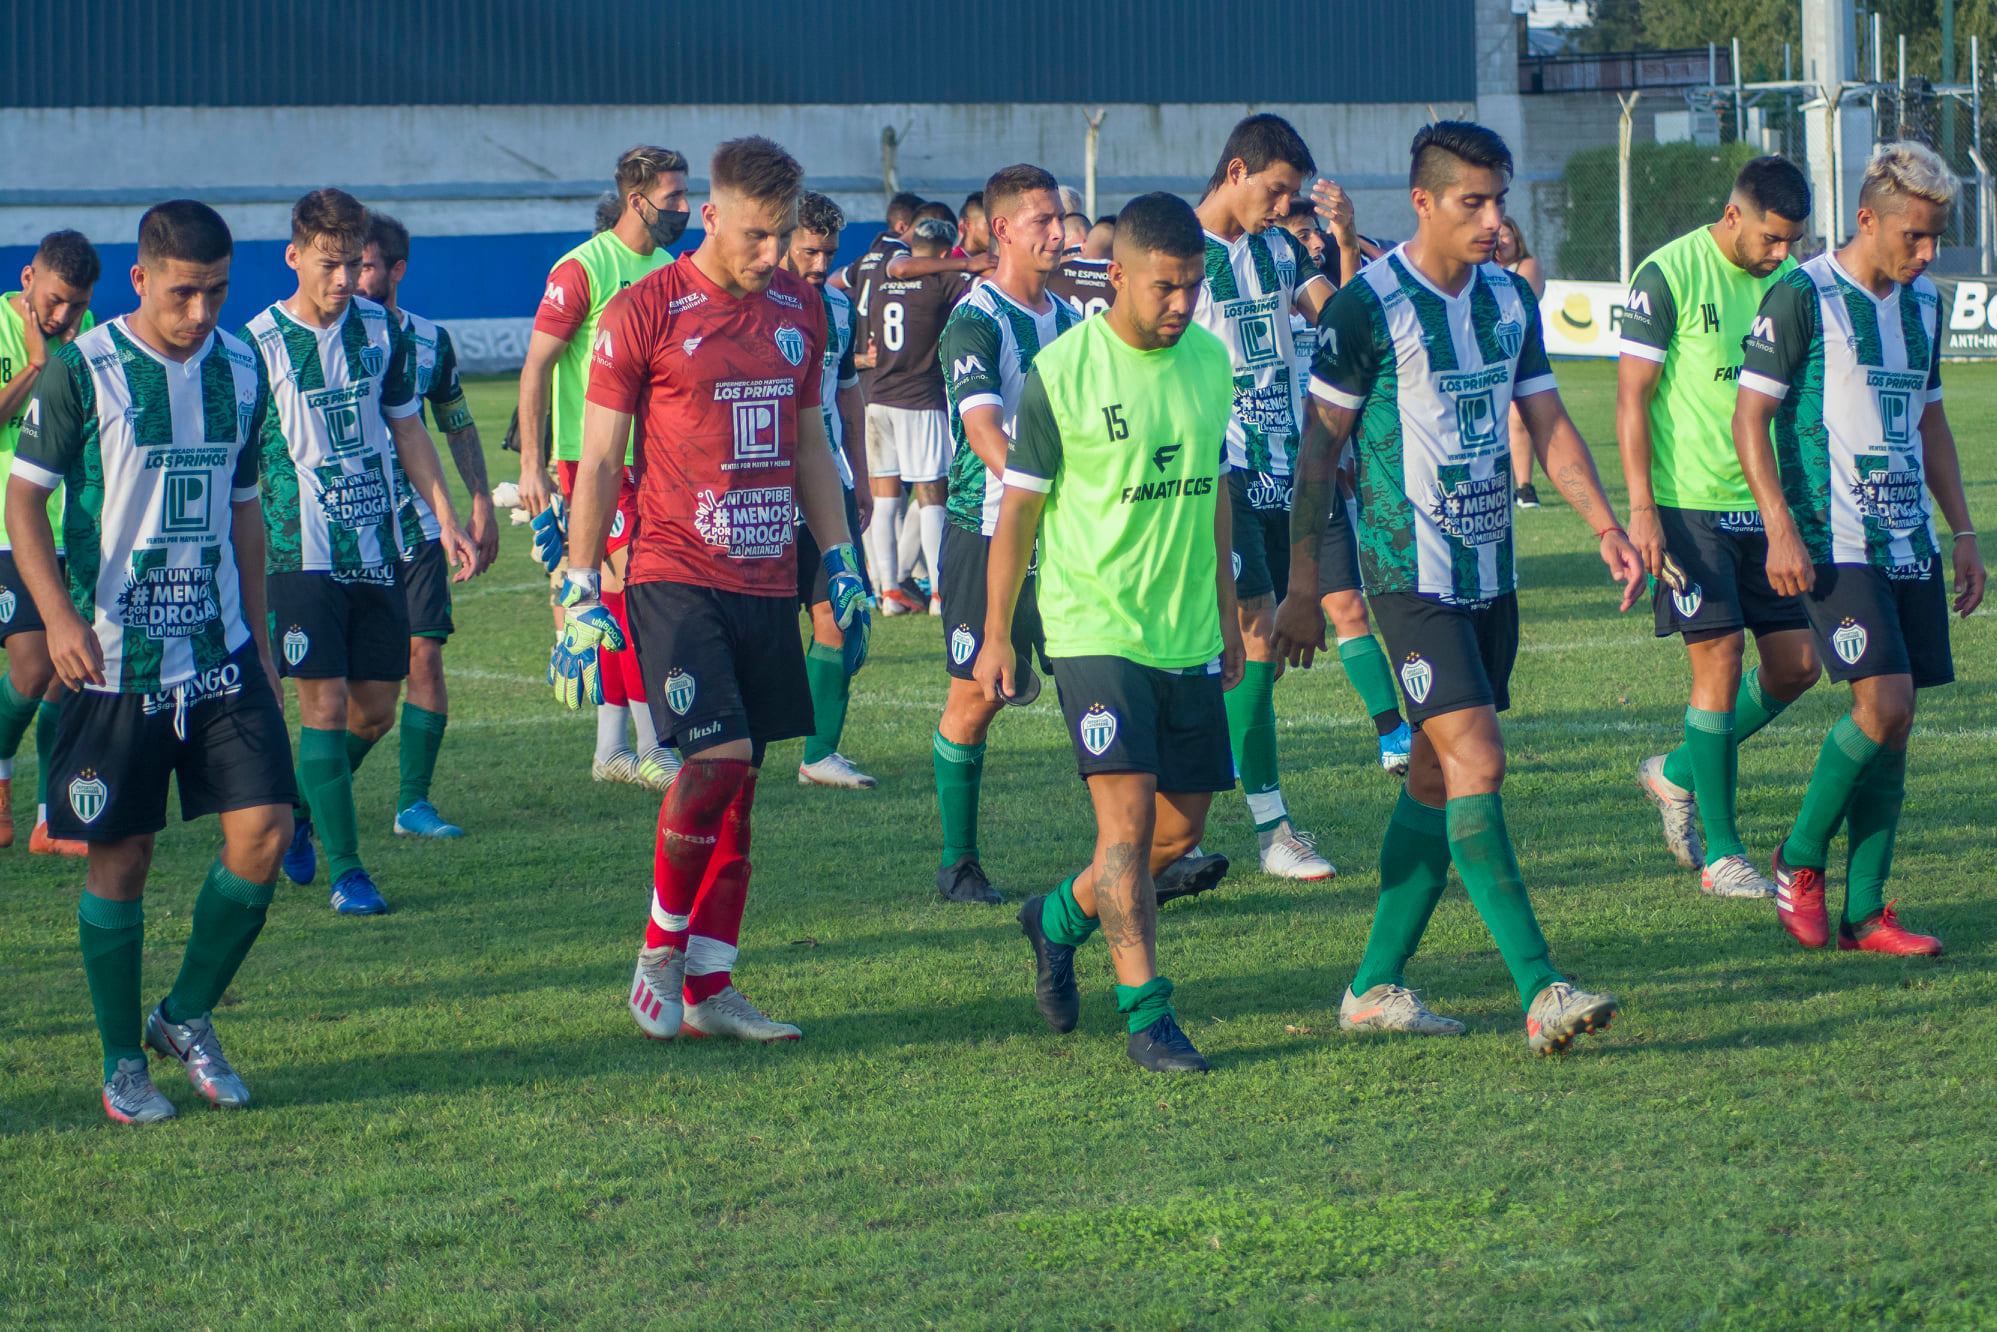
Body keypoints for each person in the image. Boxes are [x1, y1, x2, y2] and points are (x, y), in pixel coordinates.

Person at [1277, 121, 1644, 1054]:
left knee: (1440, 779)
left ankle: (1370, 985)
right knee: (1477, 762)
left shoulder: (1506, 303)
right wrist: (1300, 583)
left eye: (1499, 201)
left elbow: (1547, 418)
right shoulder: (1365, 307)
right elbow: (1318, 449)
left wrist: (1604, 524)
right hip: (1409, 578)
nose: (1491, 220)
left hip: (1491, 573)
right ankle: (1541, 986)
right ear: (1423, 203)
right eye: (1472, 202)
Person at [564, 136, 869, 1042]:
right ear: (710, 214)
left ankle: (711, 986)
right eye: (756, 236)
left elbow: (812, 443)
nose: (772, 255)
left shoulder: (802, 309)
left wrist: (840, 556)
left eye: (782, 237)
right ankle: (660, 946)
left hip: (768, 572)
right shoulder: (640, 310)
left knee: (742, 784)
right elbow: (601, 461)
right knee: (717, 757)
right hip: (670, 570)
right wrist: (581, 584)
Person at [5, 200, 295, 1122]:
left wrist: (257, 633)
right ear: (139, 281)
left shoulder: (243, 368)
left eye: (215, 292)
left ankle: (188, 1017)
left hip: (218, 655)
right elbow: (24, 504)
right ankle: (124, 1061)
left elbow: (245, 509)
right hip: (110, 662)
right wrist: (55, 620)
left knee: (265, 835)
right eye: (183, 293)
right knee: (120, 859)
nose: (201, 312)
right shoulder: (82, 373)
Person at [980, 192, 1241, 1074]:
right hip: (1093, 627)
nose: (1180, 306)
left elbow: (1214, 495)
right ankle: (1148, 1018)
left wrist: (1230, 610)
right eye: (1163, 289)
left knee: (1177, 833)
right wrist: (998, 635)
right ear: (1117, 276)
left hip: (1187, 630)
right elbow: (1016, 517)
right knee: (1126, 827)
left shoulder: (1211, 364)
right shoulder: (1061, 372)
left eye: (1192, 288)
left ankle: (1053, 919)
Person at [1735, 141, 1985, 956]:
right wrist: (1777, 524)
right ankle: (1798, 857)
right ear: (1866, 218)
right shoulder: (1801, 295)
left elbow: (1930, 420)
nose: (1927, 253)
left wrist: (1962, 533)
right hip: (1829, 542)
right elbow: (1750, 418)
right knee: (1882, 705)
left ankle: (1867, 913)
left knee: (1896, 723)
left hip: (1905, 535)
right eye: (1914, 235)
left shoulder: (1924, 305)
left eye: (1936, 237)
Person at [247, 188, 477, 916]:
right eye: (329, 265)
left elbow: (409, 428)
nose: (345, 280)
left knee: (374, 710)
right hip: (297, 548)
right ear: (294, 257)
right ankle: (349, 875)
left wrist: (445, 518)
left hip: (375, 544)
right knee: (323, 701)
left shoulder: (383, 331)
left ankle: (302, 812)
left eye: (352, 264)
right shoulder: (257, 345)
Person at [1621, 157, 1819, 898]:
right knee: (1720, 661)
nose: (1780, 254)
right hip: (1685, 504)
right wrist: (1641, 508)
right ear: (1733, 215)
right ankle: (1723, 855)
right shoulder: (1667, 273)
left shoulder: (1794, 285)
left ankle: (1673, 773)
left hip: (1770, 506)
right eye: (1770, 239)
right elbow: (1630, 400)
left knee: (1797, 665)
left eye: (1791, 241)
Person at [1192, 112, 1344, 880]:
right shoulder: (1178, 254)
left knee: (1267, 651)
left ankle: (1185, 811)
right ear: (1235, 172)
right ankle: (1271, 827)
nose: (1282, 206)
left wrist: (1346, 246)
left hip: (1285, 467)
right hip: (1216, 471)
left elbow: (1338, 318)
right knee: (1251, 634)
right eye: (1275, 189)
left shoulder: (1280, 249)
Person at [931, 164, 1081, 906]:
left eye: (1061, 219)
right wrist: (1045, 488)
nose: (1059, 232)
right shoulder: (975, 319)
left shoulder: (1075, 318)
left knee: (1098, 678)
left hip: (1066, 539)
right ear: (1002, 231)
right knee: (975, 699)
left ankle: (1140, 850)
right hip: (987, 533)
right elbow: (985, 432)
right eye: (1042, 221)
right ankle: (958, 863)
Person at [516, 145, 688, 792]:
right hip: (590, 461)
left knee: (621, 601)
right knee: (633, 597)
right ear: (636, 199)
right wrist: (533, 466)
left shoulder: (671, 268)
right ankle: (651, 748)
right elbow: (534, 368)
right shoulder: (581, 268)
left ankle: (611, 749)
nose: (681, 208)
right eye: (672, 198)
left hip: (651, 457)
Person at [353, 212, 502, 839]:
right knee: (360, 699)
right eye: (343, 265)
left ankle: (412, 802)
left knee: (426, 658)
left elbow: (456, 420)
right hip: (344, 530)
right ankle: (305, 797)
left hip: (416, 525)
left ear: (396, 270)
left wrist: (480, 501)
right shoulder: (326, 340)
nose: (352, 279)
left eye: (362, 265)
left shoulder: (428, 342)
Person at [0, 229, 98, 856]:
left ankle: (50, 821)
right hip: (11, 529)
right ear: (29, 276)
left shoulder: (87, 344)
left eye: (77, 306)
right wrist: (38, 363)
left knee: (69, 673)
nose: (63, 316)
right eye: (56, 300)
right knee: (35, 664)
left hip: (76, 531)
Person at [785, 190, 878, 790]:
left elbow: (847, 393)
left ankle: (819, 755)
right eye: (810, 251)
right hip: (760, 489)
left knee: (840, 614)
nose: (821, 264)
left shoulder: (840, 308)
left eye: (829, 252)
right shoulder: (753, 304)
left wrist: (862, 475)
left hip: (830, 484)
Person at [861, 216, 967, 610]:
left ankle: (888, 592)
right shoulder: (942, 281)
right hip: (919, 400)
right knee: (931, 495)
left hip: (878, 396)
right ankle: (939, 593)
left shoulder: (882, 280)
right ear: (944, 253)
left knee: (885, 500)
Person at [1495, 217, 1547, 509]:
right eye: (1496, 236)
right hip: (1487, 354)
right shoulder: (1481, 268)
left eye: (1506, 236)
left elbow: (1521, 299)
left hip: (1519, 351)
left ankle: (1524, 486)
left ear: (1517, 240)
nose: (1501, 241)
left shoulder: (1528, 266)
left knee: (1518, 418)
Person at [960, 192, 991, 258]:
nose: (995, 230)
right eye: (989, 224)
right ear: (968, 224)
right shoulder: (952, 261)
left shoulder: (997, 259)